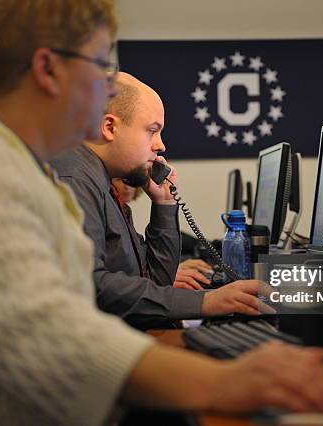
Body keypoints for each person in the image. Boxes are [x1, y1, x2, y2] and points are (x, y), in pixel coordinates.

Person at [0, 0, 323, 424]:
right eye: (98, 70)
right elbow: (53, 335)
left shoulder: (10, 159)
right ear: (48, 68)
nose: (105, 93)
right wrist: (224, 380)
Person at [51, 72, 272, 328]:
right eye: (152, 131)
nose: (161, 145)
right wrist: (206, 301)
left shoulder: (100, 182)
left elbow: (156, 281)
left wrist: (164, 204)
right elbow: (93, 286)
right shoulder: (74, 181)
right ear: (109, 127)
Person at [112, 177, 214, 290]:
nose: (127, 186)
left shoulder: (124, 213)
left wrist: (173, 267)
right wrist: (165, 274)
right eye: (119, 180)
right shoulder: (110, 215)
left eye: (129, 180)